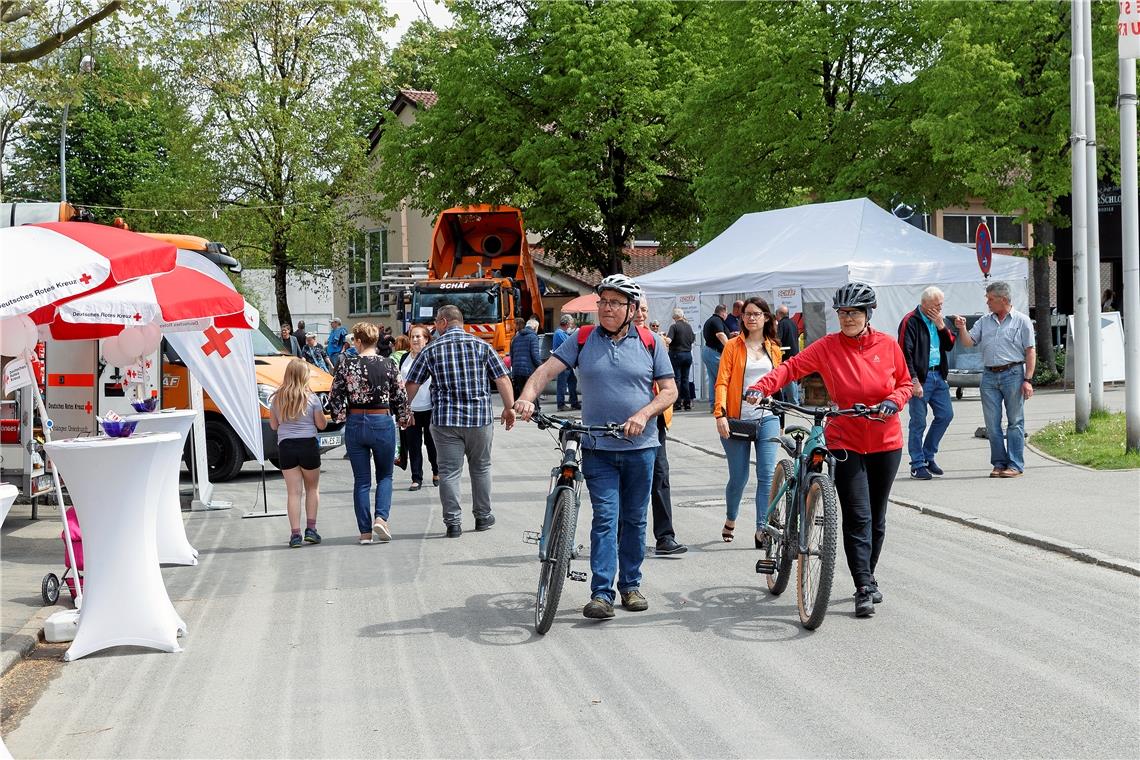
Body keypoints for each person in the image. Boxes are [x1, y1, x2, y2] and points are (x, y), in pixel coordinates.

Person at [514, 274, 678, 619]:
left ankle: (630, 586)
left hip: (641, 447)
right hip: (597, 446)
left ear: (632, 309)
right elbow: (545, 371)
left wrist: (644, 414)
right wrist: (527, 398)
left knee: (634, 520)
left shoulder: (650, 342)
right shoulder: (583, 338)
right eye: (603, 302)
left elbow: (669, 391)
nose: (606, 308)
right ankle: (601, 593)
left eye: (615, 303)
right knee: (605, 518)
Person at [746, 282, 911, 618]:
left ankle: (869, 574)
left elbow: (905, 383)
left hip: (885, 442)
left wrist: (894, 401)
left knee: (877, 519)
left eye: (854, 312)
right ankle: (863, 587)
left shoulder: (888, 345)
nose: (847, 318)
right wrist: (760, 386)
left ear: (868, 314)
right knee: (857, 516)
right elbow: (790, 368)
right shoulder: (827, 347)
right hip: (844, 440)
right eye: (842, 312)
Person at [404, 305, 516, 538]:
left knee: (449, 472)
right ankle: (483, 516)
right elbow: (502, 378)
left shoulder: (432, 350)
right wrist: (509, 408)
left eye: (436, 322)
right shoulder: (481, 346)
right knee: (481, 467)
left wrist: (404, 410)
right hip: (479, 420)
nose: (435, 327)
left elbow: (412, 383)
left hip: (446, 421)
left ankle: (453, 523)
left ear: (444, 322)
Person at [329, 322, 410, 545]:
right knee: (385, 475)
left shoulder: (346, 365)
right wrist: (403, 419)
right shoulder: (388, 365)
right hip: (381, 420)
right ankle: (381, 519)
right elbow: (400, 396)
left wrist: (339, 417)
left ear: (357, 341)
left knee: (362, 480)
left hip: (356, 421)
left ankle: (365, 533)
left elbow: (335, 395)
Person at [713, 297, 783, 546]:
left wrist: (781, 414)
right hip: (736, 418)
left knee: (766, 475)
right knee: (739, 477)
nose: (751, 318)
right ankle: (731, 518)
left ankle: (761, 529)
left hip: (768, 418)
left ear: (766, 317)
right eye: (746, 314)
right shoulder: (733, 346)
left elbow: (779, 381)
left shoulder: (773, 348)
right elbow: (721, 381)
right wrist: (720, 415)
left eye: (756, 314)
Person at [956, 280, 1036, 478]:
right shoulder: (984, 321)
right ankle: (999, 463)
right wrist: (962, 328)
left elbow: (1030, 351)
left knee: (1015, 421)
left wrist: (1028, 379)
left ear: (1004, 300)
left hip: (1014, 373)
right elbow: (968, 343)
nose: (987, 302)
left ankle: (1015, 464)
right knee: (992, 424)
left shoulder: (1022, 320)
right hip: (989, 375)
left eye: (990, 299)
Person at [633, 298, 686, 555]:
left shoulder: (655, 342)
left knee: (660, 476)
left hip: (656, 421)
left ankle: (665, 537)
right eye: (637, 308)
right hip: (625, 423)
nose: (641, 314)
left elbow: (667, 385)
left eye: (644, 309)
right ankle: (627, 536)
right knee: (630, 481)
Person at [898, 287, 957, 480]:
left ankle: (928, 455)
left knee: (946, 415)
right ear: (925, 304)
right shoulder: (910, 321)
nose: (940, 307)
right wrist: (913, 381)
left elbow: (949, 345)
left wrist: (942, 327)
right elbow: (904, 354)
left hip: (938, 375)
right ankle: (917, 464)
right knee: (918, 422)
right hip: (920, 379)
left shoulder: (940, 319)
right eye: (936, 305)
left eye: (941, 304)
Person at [269, 358, 328, 548]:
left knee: (293, 493)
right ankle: (311, 530)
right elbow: (321, 425)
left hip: (286, 447)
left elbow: (273, 425)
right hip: (308, 445)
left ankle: (295, 535)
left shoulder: (277, 398)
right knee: (312, 488)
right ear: (304, 376)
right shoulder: (312, 398)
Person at [398, 325, 439, 491]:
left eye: (418, 337)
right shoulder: (404, 358)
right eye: (412, 336)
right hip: (411, 409)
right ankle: (416, 478)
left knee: (432, 443)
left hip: (430, 408)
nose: (414, 340)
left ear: (426, 339)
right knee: (413, 444)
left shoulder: (432, 356)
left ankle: (437, 472)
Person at [509, 317, 542, 412]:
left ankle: (523, 411)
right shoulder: (533, 337)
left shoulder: (516, 337)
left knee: (522, 391)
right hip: (528, 370)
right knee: (532, 390)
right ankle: (536, 411)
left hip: (517, 370)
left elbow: (512, 355)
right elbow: (535, 355)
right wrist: (541, 367)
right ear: (535, 327)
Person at [702, 305, 731, 410]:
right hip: (714, 353)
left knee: (713, 379)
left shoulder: (711, 320)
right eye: (726, 313)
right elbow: (720, 335)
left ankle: (714, 404)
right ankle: (720, 404)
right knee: (722, 379)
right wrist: (729, 349)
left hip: (709, 351)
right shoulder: (717, 320)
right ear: (723, 312)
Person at [666, 307, 695, 411]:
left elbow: (669, 340)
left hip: (676, 354)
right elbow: (692, 339)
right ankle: (687, 403)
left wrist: (663, 338)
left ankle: (677, 403)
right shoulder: (689, 326)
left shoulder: (674, 327)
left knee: (677, 379)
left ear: (674, 317)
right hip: (687, 354)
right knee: (685, 379)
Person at [553, 315, 580, 411]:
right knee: (562, 384)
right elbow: (569, 343)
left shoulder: (563, 333)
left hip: (567, 363)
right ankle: (561, 405)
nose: (571, 326)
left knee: (572, 382)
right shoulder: (559, 333)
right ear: (567, 323)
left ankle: (574, 402)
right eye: (571, 323)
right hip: (562, 363)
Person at [775, 305, 801, 404]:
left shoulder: (782, 324)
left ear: (779, 314)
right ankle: (791, 400)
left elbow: (779, 339)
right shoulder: (793, 323)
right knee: (792, 378)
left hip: (786, 354)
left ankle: (794, 403)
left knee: (789, 378)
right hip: (795, 353)